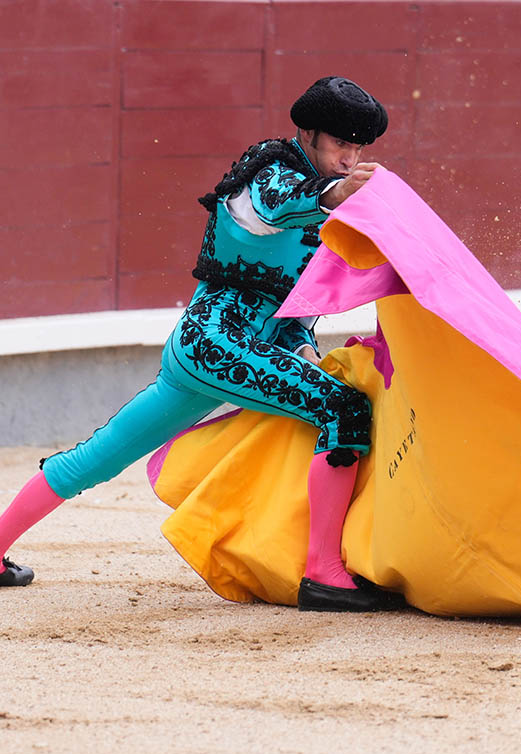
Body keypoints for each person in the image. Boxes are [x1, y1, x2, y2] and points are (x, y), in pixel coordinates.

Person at [0, 76, 391, 612]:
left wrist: (302, 346)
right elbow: (277, 206)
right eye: (341, 144)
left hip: (203, 351)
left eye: (358, 148)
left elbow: (298, 301)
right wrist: (338, 195)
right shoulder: (272, 170)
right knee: (344, 409)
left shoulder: (319, 198)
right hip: (218, 344)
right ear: (310, 133)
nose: (350, 158)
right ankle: (323, 572)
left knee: (95, 459)